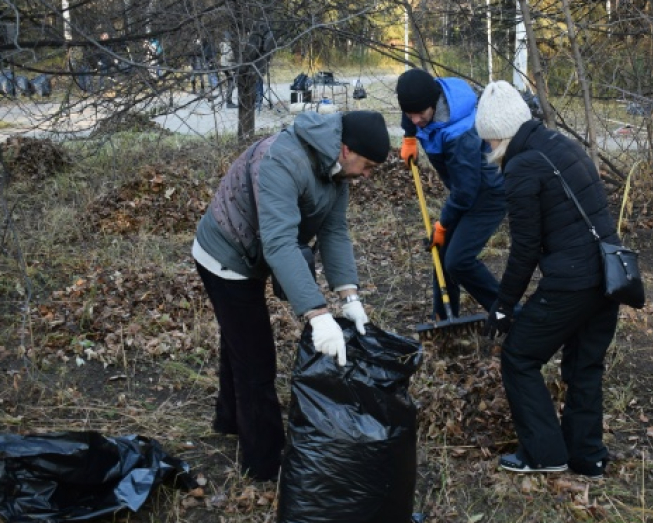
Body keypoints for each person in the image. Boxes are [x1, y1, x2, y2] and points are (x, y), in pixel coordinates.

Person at [192, 110, 390, 481]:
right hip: (225, 254)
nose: (367, 175)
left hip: (254, 250)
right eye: (367, 166)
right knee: (256, 360)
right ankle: (264, 464)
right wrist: (317, 315)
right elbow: (280, 242)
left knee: (239, 338)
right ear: (346, 149)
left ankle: (229, 419)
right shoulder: (282, 161)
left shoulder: (334, 169)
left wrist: (350, 297)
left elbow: (334, 231)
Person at [476, 81, 621, 480]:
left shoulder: (522, 168)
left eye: (488, 141)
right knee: (583, 366)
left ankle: (544, 454)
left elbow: (525, 250)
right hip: (611, 276)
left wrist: (503, 306)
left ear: (498, 135)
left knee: (519, 357)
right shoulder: (560, 144)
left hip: (572, 282)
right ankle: (587, 457)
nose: (488, 150)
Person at [395, 68, 505, 320]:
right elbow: (410, 111)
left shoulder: (460, 133)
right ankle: (444, 320)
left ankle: (508, 313)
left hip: (489, 193)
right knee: (441, 255)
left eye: (420, 115)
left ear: (434, 104)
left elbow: (465, 192)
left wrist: (443, 224)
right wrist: (409, 137)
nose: (415, 120)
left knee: (458, 260)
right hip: (465, 187)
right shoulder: (422, 99)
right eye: (409, 115)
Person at [218, 34, 237, 108]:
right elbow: (229, 57)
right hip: (228, 66)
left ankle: (229, 101)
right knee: (231, 83)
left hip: (224, 65)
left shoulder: (223, 45)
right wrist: (235, 60)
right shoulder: (227, 46)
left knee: (231, 83)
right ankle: (229, 102)